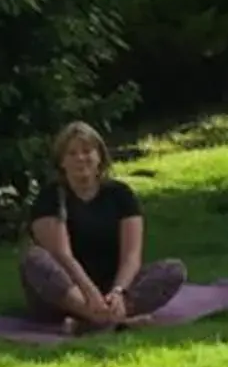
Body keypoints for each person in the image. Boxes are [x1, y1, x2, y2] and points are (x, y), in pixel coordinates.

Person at [19, 122, 187, 331]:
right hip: (65, 293)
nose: (81, 158)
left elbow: (131, 256)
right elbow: (62, 255)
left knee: (173, 270)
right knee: (33, 259)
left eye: (87, 151)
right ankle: (106, 319)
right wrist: (89, 293)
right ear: (62, 161)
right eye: (72, 153)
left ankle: (94, 321)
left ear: (99, 156)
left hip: (111, 289)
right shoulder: (50, 198)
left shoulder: (120, 195)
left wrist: (118, 291)